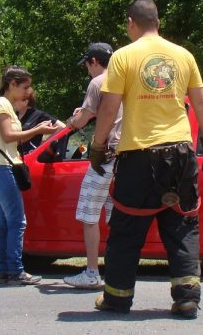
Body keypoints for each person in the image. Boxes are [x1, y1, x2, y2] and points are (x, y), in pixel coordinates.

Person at [88, 0, 203, 319]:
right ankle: (187, 298)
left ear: (130, 22)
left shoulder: (122, 57)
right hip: (180, 153)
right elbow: (202, 105)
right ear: (158, 22)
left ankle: (117, 298)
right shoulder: (183, 56)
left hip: (138, 155)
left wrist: (97, 146)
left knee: (126, 230)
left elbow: (108, 108)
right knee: (183, 226)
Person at [0, 66, 59, 285]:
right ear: (12, 84)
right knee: (17, 222)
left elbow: (11, 139)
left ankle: (1, 270)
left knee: (3, 223)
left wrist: (37, 129)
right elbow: (8, 136)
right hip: (3, 171)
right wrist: (37, 131)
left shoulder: (4, 105)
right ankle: (15, 270)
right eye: (24, 87)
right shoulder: (4, 106)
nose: (27, 92)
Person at [62, 42, 122, 290]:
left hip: (104, 157)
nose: (87, 69)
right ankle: (118, 270)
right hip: (127, 156)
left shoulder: (98, 83)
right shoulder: (125, 80)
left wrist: (71, 121)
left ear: (94, 62)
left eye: (87, 64)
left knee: (89, 214)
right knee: (117, 216)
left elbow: (81, 120)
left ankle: (91, 272)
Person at [13, 89, 65, 154]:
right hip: (14, 156)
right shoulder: (13, 115)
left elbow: (62, 127)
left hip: (30, 156)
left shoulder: (37, 115)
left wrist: (43, 144)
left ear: (25, 102)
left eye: (15, 100)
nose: (13, 102)